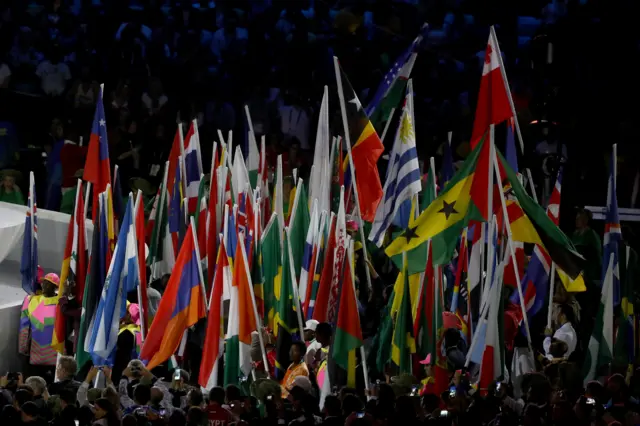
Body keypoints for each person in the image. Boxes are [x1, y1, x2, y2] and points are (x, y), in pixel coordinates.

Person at [19, 273, 60, 371]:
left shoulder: (60, 303)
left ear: (55, 287)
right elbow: (24, 326)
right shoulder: (31, 300)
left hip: (54, 354)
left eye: (48, 284)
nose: (44, 286)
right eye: (43, 283)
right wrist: (22, 346)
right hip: (35, 352)